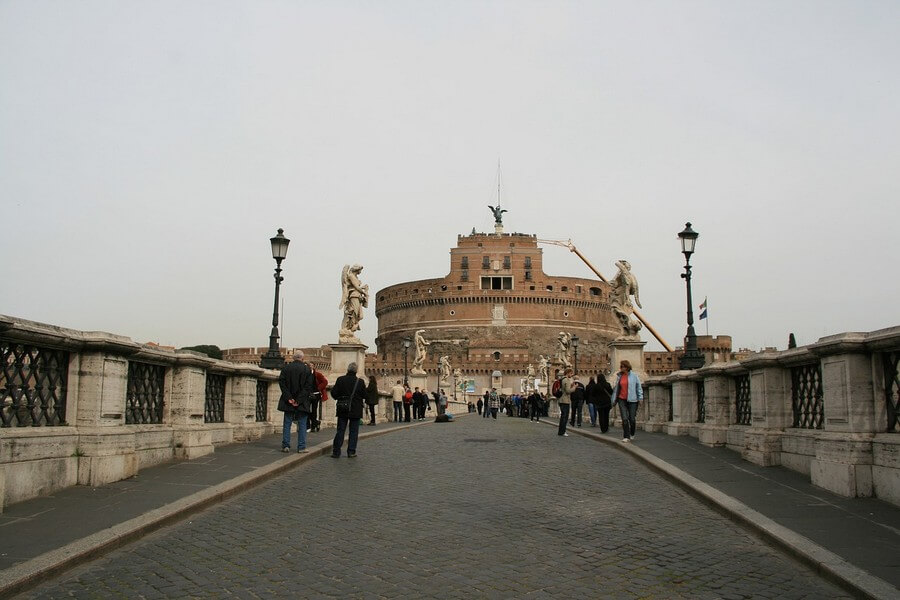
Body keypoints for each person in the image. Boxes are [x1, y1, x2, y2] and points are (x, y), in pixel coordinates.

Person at [277, 350, 315, 453]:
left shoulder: (286, 368)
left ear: (293, 358)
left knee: (287, 423)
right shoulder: (307, 370)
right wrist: (298, 400)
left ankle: (286, 445)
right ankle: (301, 447)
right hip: (302, 402)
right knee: (302, 424)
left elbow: (282, 383)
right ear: (302, 358)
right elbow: (308, 387)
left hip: (288, 401)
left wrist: (289, 397)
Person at [330, 362, 367, 457]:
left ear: (347, 369)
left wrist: (340, 398)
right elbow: (364, 395)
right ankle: (351, 451)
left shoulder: (340, 379)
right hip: (355, 409)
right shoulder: (360, 382)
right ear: (356, 371)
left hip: (343, 408)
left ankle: (336, 452)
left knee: (341, 430)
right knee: (354, 431)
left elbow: (334, 393)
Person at [612, 360, 643, 442]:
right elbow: (616, 389)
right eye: (621, 366)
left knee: (632, 419)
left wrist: (640, 398)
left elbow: (638, 387)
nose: (621, 368)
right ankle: (626, 436)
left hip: (632, 400)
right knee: (624, 418)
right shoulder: (619, 376)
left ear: (627, 367)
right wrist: (614, 399)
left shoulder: (634, 376)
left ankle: (632, 433)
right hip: (621, 399)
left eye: (622, 366)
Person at [310, 366, 329, 433]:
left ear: (313, 367)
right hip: (308, 394)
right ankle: (316, 422)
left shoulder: (318, 374)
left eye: (311, 366)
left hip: (316, 394)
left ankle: (313, 426)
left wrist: (318, 388)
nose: (310, 367)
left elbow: (325, 382)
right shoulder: (306, 374)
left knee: (314, 410)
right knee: (307, 410)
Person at [558, 368, 575, 437]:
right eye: (571, 373)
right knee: (565, 417)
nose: (572, 374)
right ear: (568, 373)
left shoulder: (562, 379)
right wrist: (574, 387)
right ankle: (563, 431)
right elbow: (568, 391)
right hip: (565, 401)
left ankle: (560, 431)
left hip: (561, 400)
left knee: (563, 416)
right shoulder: (566, 380)